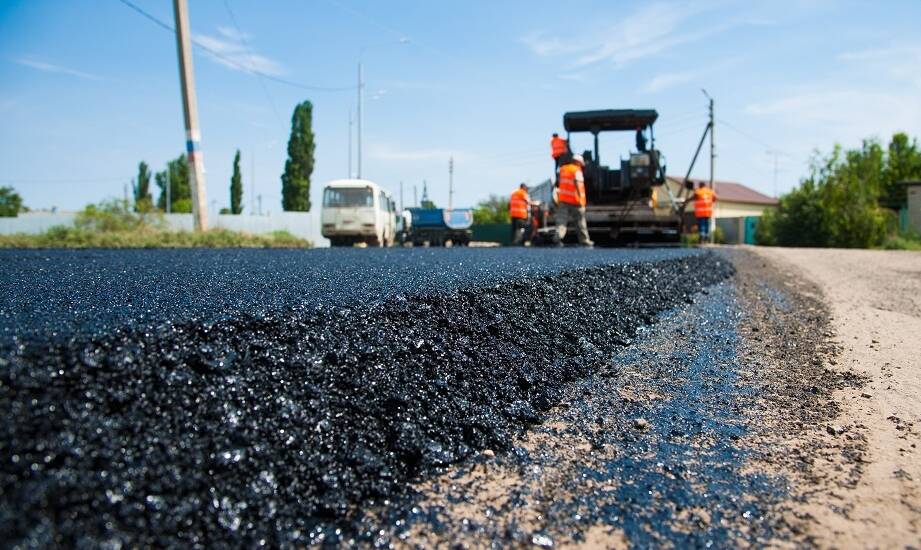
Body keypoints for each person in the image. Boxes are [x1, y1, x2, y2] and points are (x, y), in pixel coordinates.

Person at [555, 154, 593, 247]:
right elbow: (579, 185)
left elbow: (559, 183)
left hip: (563, 200)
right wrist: (581, 201)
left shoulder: (563, 169)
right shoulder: (577, 171)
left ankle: (558, 237)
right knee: (580, 222)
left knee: (561, 221)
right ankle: (584, 240)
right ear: (577, 162)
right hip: (576, 201)